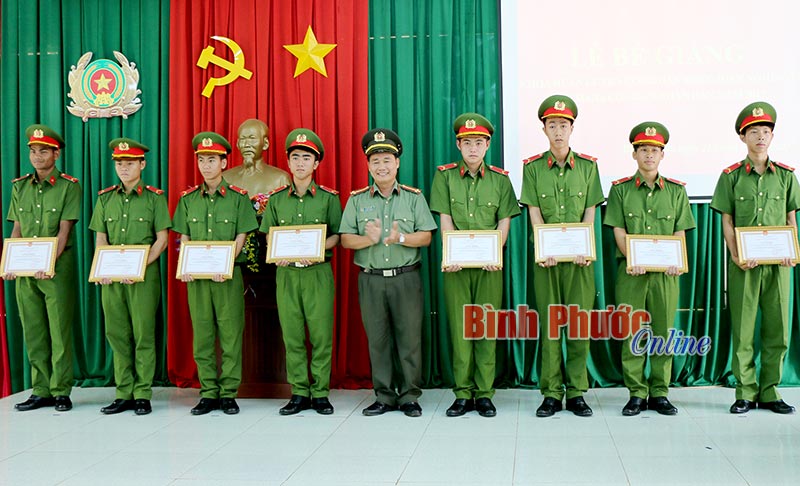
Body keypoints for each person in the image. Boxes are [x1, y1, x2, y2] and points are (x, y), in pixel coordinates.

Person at [340, 128, 437, 417]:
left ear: (397, 163)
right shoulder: (357, 200)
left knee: (409, 339)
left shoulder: (413, 198)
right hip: (371, 279)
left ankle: (409, 396)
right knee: (378, 340)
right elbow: (346, 240)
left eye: (386, 160)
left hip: (406, 277)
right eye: (375, 161)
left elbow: (427, 236)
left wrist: (401, 238)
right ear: (368, 165)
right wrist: (368, 240)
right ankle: (384, 396)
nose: (381, 166)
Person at [710, 101, 799, 415]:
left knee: (778, 328)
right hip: (744, 265)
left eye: (765, 131)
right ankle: (745, 392)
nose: (760, 137)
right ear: (742, 136)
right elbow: (727, 220)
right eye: (753, 132)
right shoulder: (731, 176)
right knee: (744, 329)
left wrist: (792, 251)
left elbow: (790, 218)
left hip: (779, 266)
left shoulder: (786, 176)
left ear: (772, 136)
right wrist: (735, 255)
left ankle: (771, 390)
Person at [430, 113, 520, 418]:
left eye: (478, 142)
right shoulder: (444, 177)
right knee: (460, 329)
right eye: (467, 142)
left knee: (485, 328)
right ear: (458, 145)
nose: (473, 148)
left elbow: (504, 222)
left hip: (488, 268)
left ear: (487, 145)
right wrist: (450, 254)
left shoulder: (500, 179)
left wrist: (495, 253)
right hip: (456, 268)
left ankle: (483, 394)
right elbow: (445, 220)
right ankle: (462, 393)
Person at [519, 95, 604, 418]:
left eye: (563, 125)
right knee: (551, 326)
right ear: (544, 129)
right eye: (552, 125)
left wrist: (585, 248)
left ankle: (577, 392)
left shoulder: (588, 167)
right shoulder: (533, 168)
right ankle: (552, 393)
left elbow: (590, 211)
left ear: (572, 128)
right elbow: (534, 212)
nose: (558, 131)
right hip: (548, 262)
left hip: (580, 262)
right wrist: (543, 249)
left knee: (578, 325)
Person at [603, 122, 695, 416]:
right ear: (634, 154)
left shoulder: (677, 191)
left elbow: (680, 231)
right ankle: (636, 393)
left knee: (662, 332)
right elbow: (618, 230)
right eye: (643, 150)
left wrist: (676, 261)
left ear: (662, 154)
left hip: (665, 275)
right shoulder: (620, 190)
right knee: (632, 332)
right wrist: (632, 258)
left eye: (655, 150)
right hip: (632, 273)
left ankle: (659, 392)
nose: (649, 155)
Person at [172, 131, 258, 415]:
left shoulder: (238, 198)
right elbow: (183, 236)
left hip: (227, 277)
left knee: (231, 335)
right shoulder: (188, 199)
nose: (206, 165)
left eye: (212, 160)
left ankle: (229, 393)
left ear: (223, 163)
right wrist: (185, 264)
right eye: (202, 160)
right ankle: (208, 392)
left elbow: (242, 235)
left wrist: (226, 263)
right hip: (197, 279)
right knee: (203, 336)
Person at [259, 128, 342, 416]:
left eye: (307, 158)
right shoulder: (277, 199)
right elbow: (268, 234)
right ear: (288, 162)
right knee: (292, 335)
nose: (300, 163)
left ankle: (320, 393)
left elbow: (337, 236)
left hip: (317, 273)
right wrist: (277, 252)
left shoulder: (329, 198)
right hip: (287, 275)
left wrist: (317, 250)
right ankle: (299, 392)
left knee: (321, 335)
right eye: (295, 157)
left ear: (316, 163)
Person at [89, 137, 171, 415]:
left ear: (142, 165)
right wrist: (103, 268)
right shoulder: (105, 198)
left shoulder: (155, 198)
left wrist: (138, 266)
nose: (124, 168)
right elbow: (101, 238)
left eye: (130, 163)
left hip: (143, 277)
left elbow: (162, 240)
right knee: (117, 334)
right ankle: (123, 392)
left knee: (143, 334)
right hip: (112, 278)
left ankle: (143, 393)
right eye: (120, 164)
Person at [3, 124, 81, 412]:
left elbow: (64, 230)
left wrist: (48, 263)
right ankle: (40, 389)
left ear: (56, 154)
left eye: (44, 151)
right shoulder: (19, 186)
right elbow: (17, 228)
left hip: (56, 269)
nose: (37, 157)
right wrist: (9, 261)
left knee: (59, 330)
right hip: (25, 270)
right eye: (33, 151)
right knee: (33, 329)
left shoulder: (69, 186)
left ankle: (61, 390)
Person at [222, 119, 291, 195]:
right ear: (237, 144)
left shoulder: (280, 179)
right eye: (242, 139)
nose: (246, 145)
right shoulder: (225, 178)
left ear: (265, 144)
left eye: (252, 139)